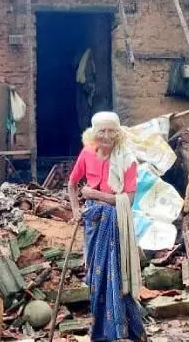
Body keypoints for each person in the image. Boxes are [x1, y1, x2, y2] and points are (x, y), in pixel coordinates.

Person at [68, 111, 145, 341]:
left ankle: (123, 331)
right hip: (92, 221)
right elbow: (72, 184)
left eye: (112, 131)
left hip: (115, 221)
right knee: (95, 277)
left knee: (117, 276)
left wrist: (95, 194)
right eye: (102, 131)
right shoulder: (87, 153)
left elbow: (128, 199)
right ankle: (100, 332)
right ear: (93, 133)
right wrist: (75, 210)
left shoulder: (127, 158)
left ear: (118, 133)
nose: (107, 136)